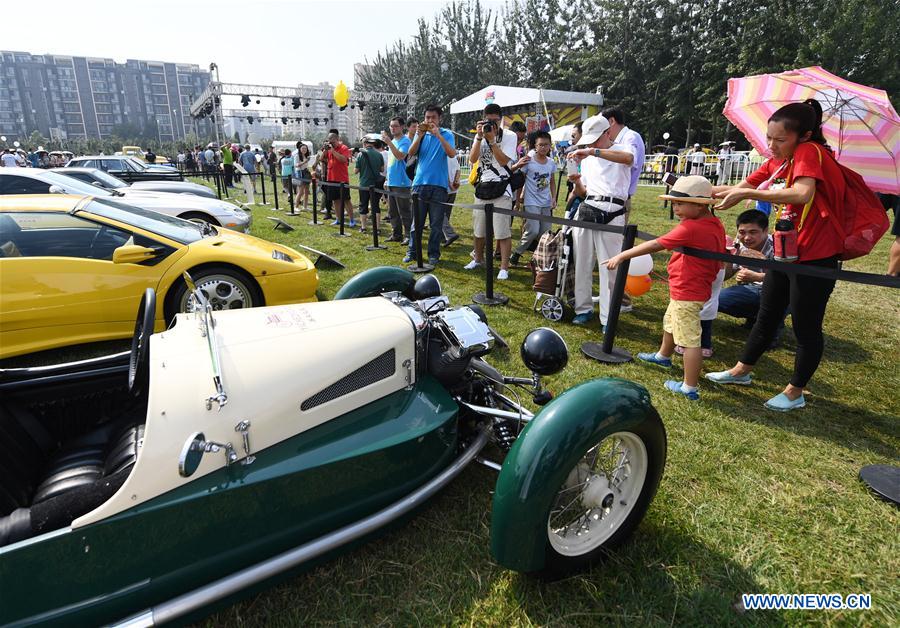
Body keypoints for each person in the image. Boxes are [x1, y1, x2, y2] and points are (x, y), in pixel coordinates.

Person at [707, 99, 845, 412]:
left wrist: (747, 194)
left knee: (806, 326)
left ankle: (795, 392)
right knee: (767, 313)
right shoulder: (781, 160)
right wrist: (699, 190)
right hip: (787, 252)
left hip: (816, 256)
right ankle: (742, 371)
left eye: (780, 140)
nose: (772, 145)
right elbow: (742, 185)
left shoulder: (811, 152)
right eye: (769, 138)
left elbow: (802, 193)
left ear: (804, 135)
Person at [605, 176, 726, 401]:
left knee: (690, 340)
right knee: (671, 321)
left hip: (688, 290)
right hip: (692, 287)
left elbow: (656, 244)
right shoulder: (714, 223)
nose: (675, 208)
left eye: (680, 203)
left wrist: (622, 255)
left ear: (700, 205)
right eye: (674, 203)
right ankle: (663, 355)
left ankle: (689, 387)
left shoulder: (690, 227)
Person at [566, 115, 636, 328]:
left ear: (607, 132)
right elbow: (584, 191)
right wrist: (576, 182)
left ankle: (608, 316)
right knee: (583, 263)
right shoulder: (587, 161)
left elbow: (627, 159)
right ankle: (583, 308)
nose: (592, 143)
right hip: (588, 209)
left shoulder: (623, 148)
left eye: (596, 139)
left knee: (610, 267)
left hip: (613, 210)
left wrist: (592, 151)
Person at [464, 103, 518, 280]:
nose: (492, 125)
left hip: (502, 187)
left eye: (495, 121)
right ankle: (478, 258)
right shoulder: (480, 135)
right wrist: (480, 138)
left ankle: (504, 267)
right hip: (483, 186)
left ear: (501, 120)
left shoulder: (509, 136)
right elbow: (472, 159)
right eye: (489, 121)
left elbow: (503, 162)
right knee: (479, 229)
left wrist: (493, 141)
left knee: (502, 231)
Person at [603, 107, 646, 310]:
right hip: (612, 199)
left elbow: (629, 160)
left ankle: (621, 299)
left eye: (604, 128)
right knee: (610, 250)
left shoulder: (630, 138)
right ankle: (613, 295)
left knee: (617, 251)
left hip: (620, 200)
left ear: (611, 121)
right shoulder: (623, 138)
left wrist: (596, 151)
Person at [404, 104, 455, 266]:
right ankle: (412, 251)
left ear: (439, 119)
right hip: (419, 184)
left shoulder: (447, 134)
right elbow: (410, 153)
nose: (430, 120)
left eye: (433, 117)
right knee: (416, 223)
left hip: (439, 186)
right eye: (427, 117)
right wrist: (419, 136)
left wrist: (438, 135)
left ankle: (434, 254)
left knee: (436, 224)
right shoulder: (421, 135)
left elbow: (452, 153)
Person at [510, 130, 557, 265]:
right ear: (535, 146)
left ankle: (538, 257)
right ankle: (517, 253)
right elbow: (521, 181)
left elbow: (552, 181)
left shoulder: (551, 163)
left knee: (545, 233)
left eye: (546, 145)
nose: (543, 147)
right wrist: (518, 200)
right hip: (531, 202)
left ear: (550, 146)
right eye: (540, 145)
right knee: (533, 230)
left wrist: (553, 198)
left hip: (546, 203)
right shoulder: (528, 161)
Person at [382, 117, 413, 243]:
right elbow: (390, 163)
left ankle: (408, 235)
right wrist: (387, 180)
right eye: (391, 126)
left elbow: (400, 156)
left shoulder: (405, 141)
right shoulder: (394, 141)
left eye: (395, 126)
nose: (392, 128)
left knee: (404, 211)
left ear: (402, 127)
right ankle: (396, 234)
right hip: (392, 181)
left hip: (402, 182)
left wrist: (389, 143)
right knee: (392, 211)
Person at [354, 138, 384, 233]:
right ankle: (378, 228)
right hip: (376, 184)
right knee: (375, 206)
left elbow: (355, 171)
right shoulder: (379, 155)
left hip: (364, 184)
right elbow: (382, 169)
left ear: (365, 144)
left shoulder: (360, 154)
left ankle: (363, 227)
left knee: (363, 206)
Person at [324, 132, 354, 227]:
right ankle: (338, 219)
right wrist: (325, 150)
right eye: (329, 142)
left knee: (346, 200)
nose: (331, 144)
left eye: (333, 142)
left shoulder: (344, 148)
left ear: (337, 139)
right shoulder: (328, 149)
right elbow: (322, 159)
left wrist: (333, 151)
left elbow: (343, 159)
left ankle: (352, 220)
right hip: (331, 178)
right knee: (335, 200)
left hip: (342, 179)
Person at [442, 152, 461, 246]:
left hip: (445, 188)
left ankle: (449, 234)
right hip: (453, 189)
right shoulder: (453, 157)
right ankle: (443, 236)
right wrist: (456, 183)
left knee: (440, 213)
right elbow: (458, 170)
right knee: (446, 213)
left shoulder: (442, 155)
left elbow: (444, 172)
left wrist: (450, 184)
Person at [294, 142, 312, 209]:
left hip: (306, 173)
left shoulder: (306, 156)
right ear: (299, 149)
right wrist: (305, 161)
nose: (304, 149)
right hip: (300, 174)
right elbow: (296, 165)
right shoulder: (297, 156)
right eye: (303, 148)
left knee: (307, 191)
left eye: (305, 148)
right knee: (301, 192)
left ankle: (305, 206)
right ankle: (296, 207)